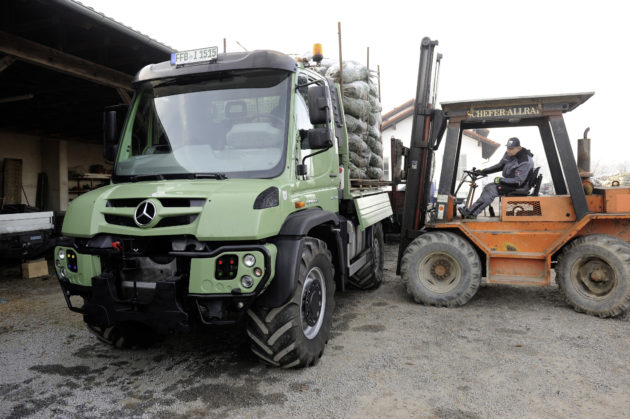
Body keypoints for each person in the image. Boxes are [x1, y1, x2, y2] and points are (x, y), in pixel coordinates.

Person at [458, 137, 534, 219]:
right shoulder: (509, 155)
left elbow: (518, 181)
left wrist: (501, 180)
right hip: (510, 183)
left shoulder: (525, 161)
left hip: (519, 186)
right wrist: (483, 171)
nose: (508, 150)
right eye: (508, 148)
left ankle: (472, 213)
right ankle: (472, 211)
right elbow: (500, 166)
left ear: (519, 148)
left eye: (511, 149)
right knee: (488, 187)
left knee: (492, 190)